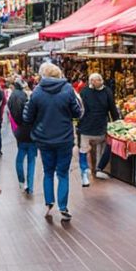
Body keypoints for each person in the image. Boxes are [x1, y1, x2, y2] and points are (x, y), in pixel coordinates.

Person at [24, 62, 83, 222]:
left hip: (44, 139)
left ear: (43, 75)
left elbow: (27, 117)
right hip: (64, 138)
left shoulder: (36, 92)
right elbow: (77, 113)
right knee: (63, 173)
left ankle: (49, 202)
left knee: (48, 172)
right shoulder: (68, 89)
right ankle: (63, 207)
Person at [79, 73, 120, 185]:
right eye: (95, 80)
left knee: (85, 150)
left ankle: (92, 170)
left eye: (98, 80)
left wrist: (116, 121)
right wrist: (116, 120)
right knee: (92, 149)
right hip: (94, 126)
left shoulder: (85, 91)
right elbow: (112, 108)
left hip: (92, 126)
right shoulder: (105, 91)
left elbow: (79, 108)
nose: (99, 81)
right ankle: (94, 169)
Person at [7, 77, 36, 194]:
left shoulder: (12, 96)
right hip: (31, 134)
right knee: (31, 161)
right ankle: (30, 186)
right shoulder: (25, 97)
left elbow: (11, 113)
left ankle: (21, 181)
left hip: (20, 133)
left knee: (20, 158)